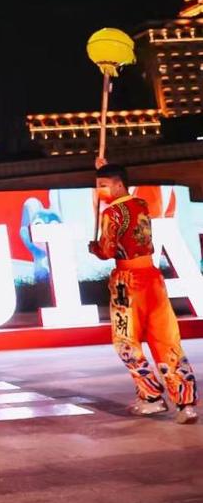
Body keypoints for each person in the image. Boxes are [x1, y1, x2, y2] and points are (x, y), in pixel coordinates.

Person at [89, 160, 197, 424]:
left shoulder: (111, 213)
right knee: (165, 339)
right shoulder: (141, 205)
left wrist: (95, 248)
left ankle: (151, 397)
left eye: (103, 185)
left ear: (117, 185)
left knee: (125, 341)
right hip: (153, 279)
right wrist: (104, 169)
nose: (100, 190)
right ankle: (185, 403)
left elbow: (107, 250)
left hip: (127, 282)